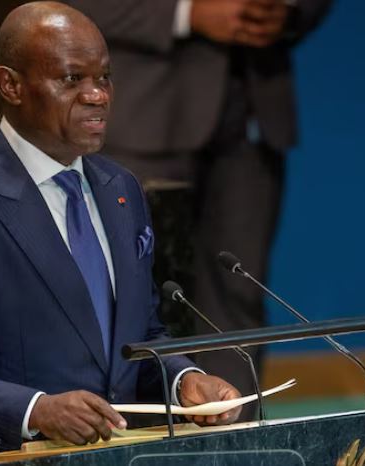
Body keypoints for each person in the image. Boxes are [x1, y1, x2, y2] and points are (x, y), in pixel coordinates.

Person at [0, 2, 241, 456]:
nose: (97, 95)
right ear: (11, 85)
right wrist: (32, 410)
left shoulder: (121, 190)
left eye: (103, 78)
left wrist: (184, 381)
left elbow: (139, 336)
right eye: (71, 79)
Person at [63, 0, 332, 420]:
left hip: (253, 119)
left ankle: (232, 442)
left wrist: (292, 13)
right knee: (131, 298)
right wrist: (186, 12)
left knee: (238, 290)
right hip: (146, 118)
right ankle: (134, 447)